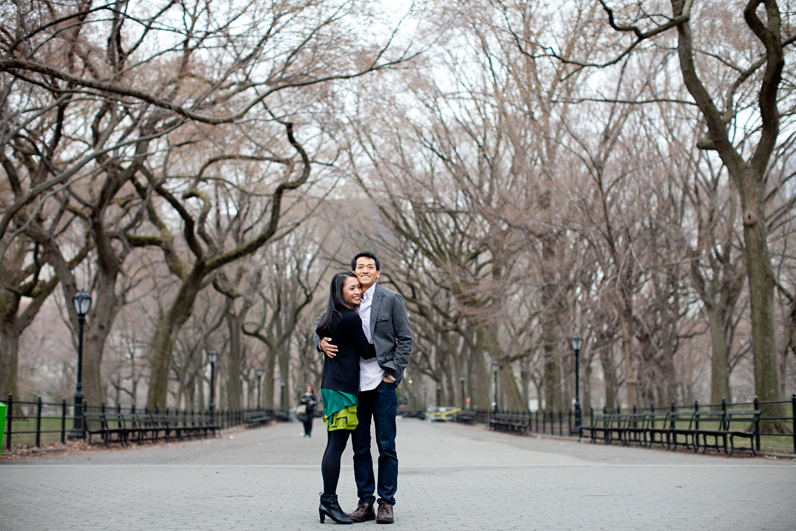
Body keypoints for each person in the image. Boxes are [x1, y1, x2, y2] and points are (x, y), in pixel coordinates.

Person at [316, 252, 413, 525]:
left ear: (378, 273)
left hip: (382, 384)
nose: (365, 270)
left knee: (386, 446)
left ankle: (386, 503)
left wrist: (393, 374)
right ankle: (365, 503)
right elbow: (319, 324)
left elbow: (405, 338)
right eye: (360, 267)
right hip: (353, 386)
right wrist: (319, 342)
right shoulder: (347, 298)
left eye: (370, 267)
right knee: (360, 448)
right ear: (354, 272)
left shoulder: (391, 300)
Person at [316, 272, 376, 525]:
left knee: (334, 445)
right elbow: (367, 350)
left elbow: (319, 330)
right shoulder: (350, 317)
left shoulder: (331, 317)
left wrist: (319, 343)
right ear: (339, 292)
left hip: (332, 385)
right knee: (336, 447)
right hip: (342, 388)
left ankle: (327, 500)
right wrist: (392, 342)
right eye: (351, 288)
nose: (358, 292)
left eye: (359, 288)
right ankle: (328, 501)